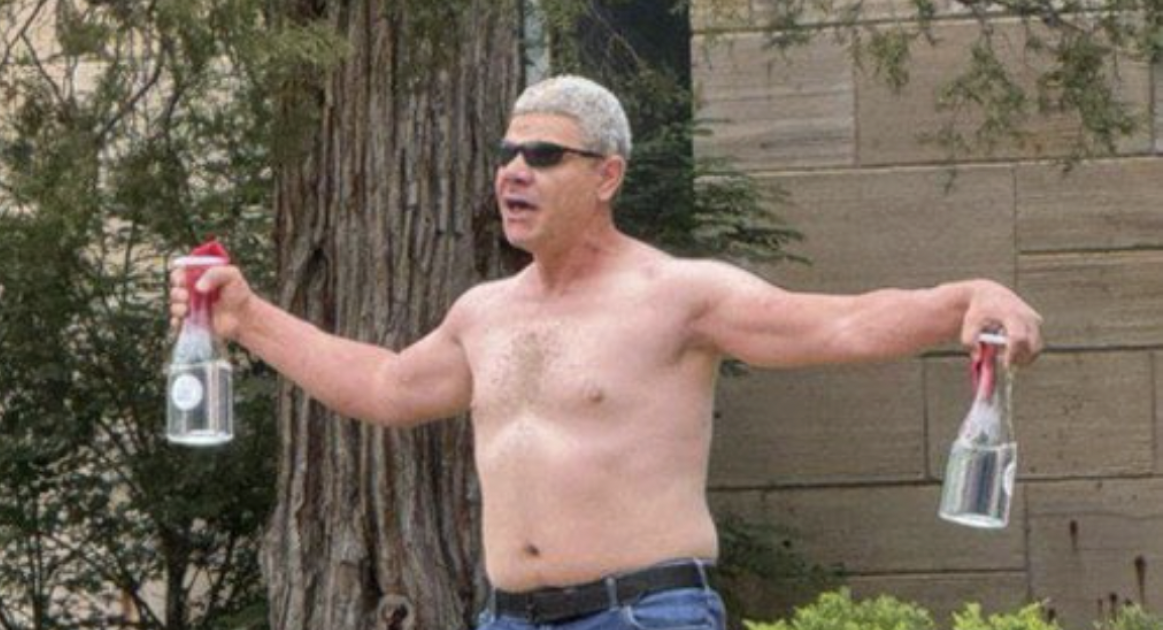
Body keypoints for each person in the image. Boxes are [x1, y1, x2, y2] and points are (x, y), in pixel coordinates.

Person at [169, 75, 1043, 630]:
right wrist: (247, 318)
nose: (514, 170)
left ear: (607, 175)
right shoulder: (484, 313)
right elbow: (386, 386)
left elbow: (837, 323)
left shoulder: (676, 294)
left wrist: (961, 301)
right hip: (506, 617)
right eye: (508, 154)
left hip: (644, 614)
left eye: (544, 155)